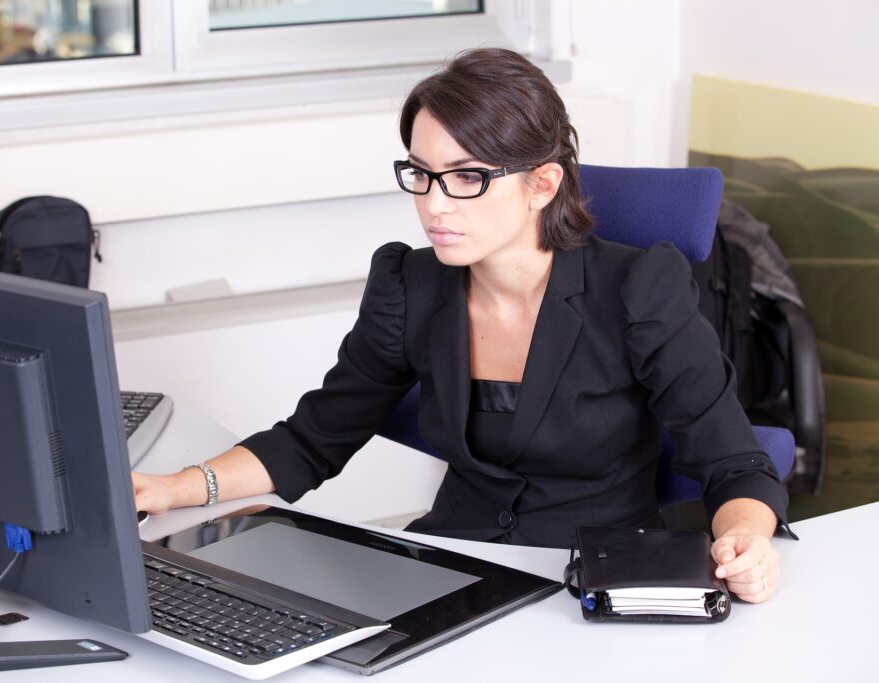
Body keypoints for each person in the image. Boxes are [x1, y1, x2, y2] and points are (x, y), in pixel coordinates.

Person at [133, 48, 788, 603]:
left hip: (590, 580)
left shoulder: (637, 289)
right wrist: (174, 487)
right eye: (421, 174)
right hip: (452, 567)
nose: (433, 204)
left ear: (542, 184)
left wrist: (747, 540)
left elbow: (738, 464)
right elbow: (313, 439)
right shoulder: (411, 285)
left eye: (468, 177)